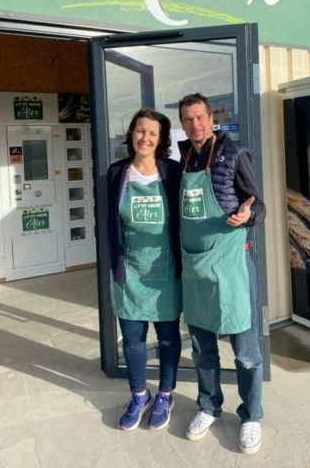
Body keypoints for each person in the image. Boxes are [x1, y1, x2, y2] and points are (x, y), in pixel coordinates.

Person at [178, 92, 266, 455]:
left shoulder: (235, 153)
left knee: (245, 352)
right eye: (187, 120)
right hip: (196, 267)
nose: (195, 125)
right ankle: (208, 406)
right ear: (182, 123)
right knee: (202, 349)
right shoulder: (181, 157)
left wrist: (249, 215)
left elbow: (259, 204)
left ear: (211, 118)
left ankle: (251, 414)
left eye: (200, 117)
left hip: (231, 267)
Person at [107, 109, 182, 431]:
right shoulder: (115, 173)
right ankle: (139, 394)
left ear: (161, 139)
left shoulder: (174, 173)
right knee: (133, 339)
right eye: (140, 131)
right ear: (131, 133)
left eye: (152, 133)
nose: (145, 138)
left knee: (167, 337)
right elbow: (109, 222)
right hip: (130, 269)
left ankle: (165, 394)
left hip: (165, 269)